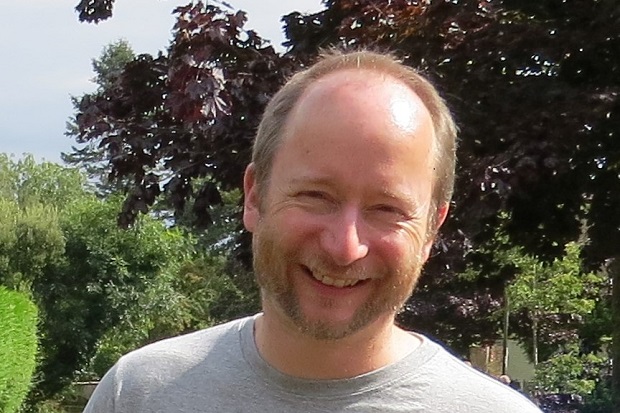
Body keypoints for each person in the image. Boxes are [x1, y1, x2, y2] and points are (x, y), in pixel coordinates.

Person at [83, 49, 542, 413]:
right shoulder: (140, 395)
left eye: (387, 209)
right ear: (255, 197)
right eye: (315, 196)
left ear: (430, 231)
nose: (345, 247)